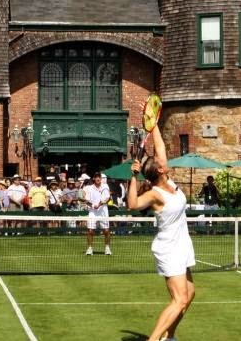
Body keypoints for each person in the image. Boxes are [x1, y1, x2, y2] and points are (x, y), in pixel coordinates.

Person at [126, 121, 195, 341]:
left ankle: (169, 336)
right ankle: (153, 339)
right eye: (159, 162)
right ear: (161, 170)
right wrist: (134, 177)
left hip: (182, 244)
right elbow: (133, 205)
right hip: (168, 248)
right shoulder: (155, 194)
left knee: (189, 294)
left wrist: (153, 122)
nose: (162, 159)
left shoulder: (169, 180)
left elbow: (161, 147)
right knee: (179, 300)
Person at [83, 174, 112, 256]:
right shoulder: (90, 188)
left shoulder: (105, 186)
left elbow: (107, 198)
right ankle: (89, 249)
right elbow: (86, 201)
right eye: (96, 177)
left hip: (103, 211)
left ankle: (107, 248)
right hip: (93, 212)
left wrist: (99, 204)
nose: (98, 179)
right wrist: (92, 205)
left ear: (101, 178)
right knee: (90, 231)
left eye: (99, 177)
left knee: (106, 231)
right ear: (94, 178)